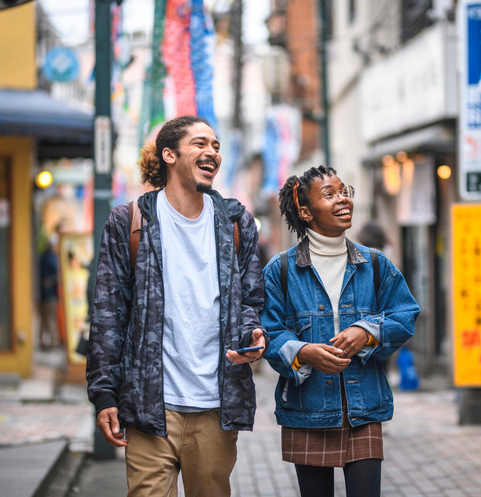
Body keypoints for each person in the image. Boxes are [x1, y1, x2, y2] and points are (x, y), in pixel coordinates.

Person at [86, 116, 268, 497]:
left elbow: (252, 298)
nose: (211, 152)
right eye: (200, 143)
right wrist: (104, 392)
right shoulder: (130, 221)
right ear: (169, 154)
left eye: (216, 146)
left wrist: (252, 331)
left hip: (216, 406)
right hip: (149, 405)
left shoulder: (236, 222)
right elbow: (108, 311)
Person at [261, 166, 420, 497]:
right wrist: (303, 352)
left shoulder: (374, 264)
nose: (343, 199)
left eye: (344, 191)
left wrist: (367, 331)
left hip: (363, 409)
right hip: (307, 410)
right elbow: (267, 331)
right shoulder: (281, 270)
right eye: (329, 194)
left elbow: (406, 314)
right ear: (305, 211)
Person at [39, 237, 60, 349]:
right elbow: (57, 273)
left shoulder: (41, 258)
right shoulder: (51, 259)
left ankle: (42, 341)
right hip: (50, 294)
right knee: (51, 319)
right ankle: (53, 342)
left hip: (41, 294)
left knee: (43, 320)